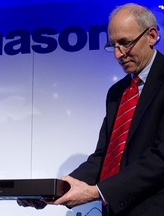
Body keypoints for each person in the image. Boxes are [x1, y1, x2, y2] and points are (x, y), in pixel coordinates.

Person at [18, 3, 164, 216]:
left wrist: (99, 192)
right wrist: (58, 189)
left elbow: (161, 157)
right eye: (113, 45)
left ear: (151, 36)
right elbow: (103, 157)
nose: (118, 54)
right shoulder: (117, 92)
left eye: (125, 43)